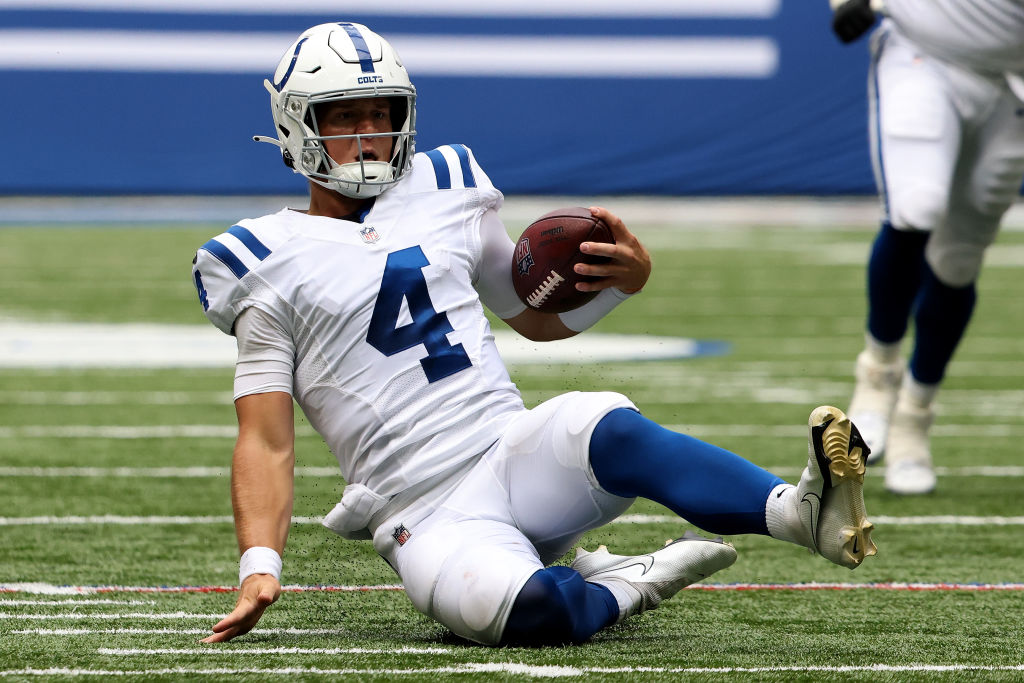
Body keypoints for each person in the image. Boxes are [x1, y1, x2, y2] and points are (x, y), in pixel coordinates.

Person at [192, 22, 877, 647]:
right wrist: (260, 564)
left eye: (382, 113)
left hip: (510, 448)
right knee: (542, 609)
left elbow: (532, 316)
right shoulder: (260, 259)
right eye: (346, 117)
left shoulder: (446, 185)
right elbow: (266, 437)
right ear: (299, 125)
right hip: (423, 510)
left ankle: (798, 512)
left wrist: (623, 284)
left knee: (610, 423)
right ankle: (632, 579)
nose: (370, 133)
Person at [829, 0, 1024, 495]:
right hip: (925, 53)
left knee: (959, 259)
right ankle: (878, 373)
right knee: (915, 208)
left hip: (1015, 81)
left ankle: (915, 416)